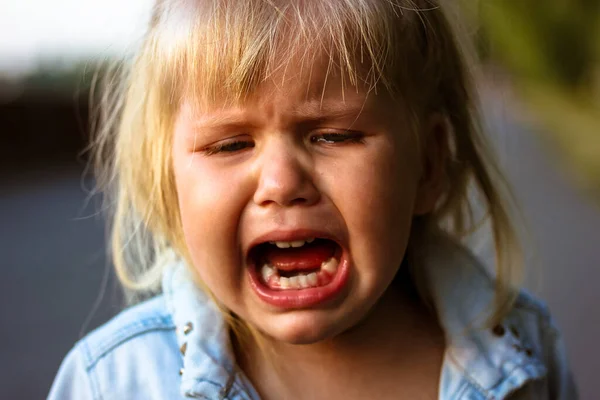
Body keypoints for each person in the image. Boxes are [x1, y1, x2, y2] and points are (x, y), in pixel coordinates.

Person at [48, 1, 577, 399]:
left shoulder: (528, 352)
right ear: (171, 181)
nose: (280, 183)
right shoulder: (113, 382)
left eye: (333, 136)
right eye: (230, 144)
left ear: (428, 166)